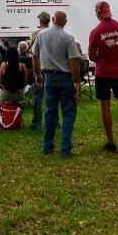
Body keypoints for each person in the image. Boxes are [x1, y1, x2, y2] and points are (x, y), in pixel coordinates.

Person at [88, 2, 118, 153]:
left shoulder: (96, 31)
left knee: (105, 108)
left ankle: (111, 143)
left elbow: (91, 55)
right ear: (109, 12)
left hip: (103, 72)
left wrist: (102, 60)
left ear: (98, 13)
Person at [32, 10, 81, 157]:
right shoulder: (68, 38)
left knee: (50, 112)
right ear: (65, 22)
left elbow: (35, 56)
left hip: (49, 78)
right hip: (65, 78)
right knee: (68, 112)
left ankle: (47, 146)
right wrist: (77, 81)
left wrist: (37, 74)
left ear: (53, 19)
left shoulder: (41, 35)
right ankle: (66, 148)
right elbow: (73, 62)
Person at [28, 12, 51, 129]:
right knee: (52, 96)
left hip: (40, 67)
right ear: (49, 21)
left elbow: (33, 53)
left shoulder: (35, 34)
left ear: (40, 21)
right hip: (51, 68)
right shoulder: (54, 33)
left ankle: (37, 123)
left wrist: (36, 73)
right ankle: (54, 122)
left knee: (37, 96)